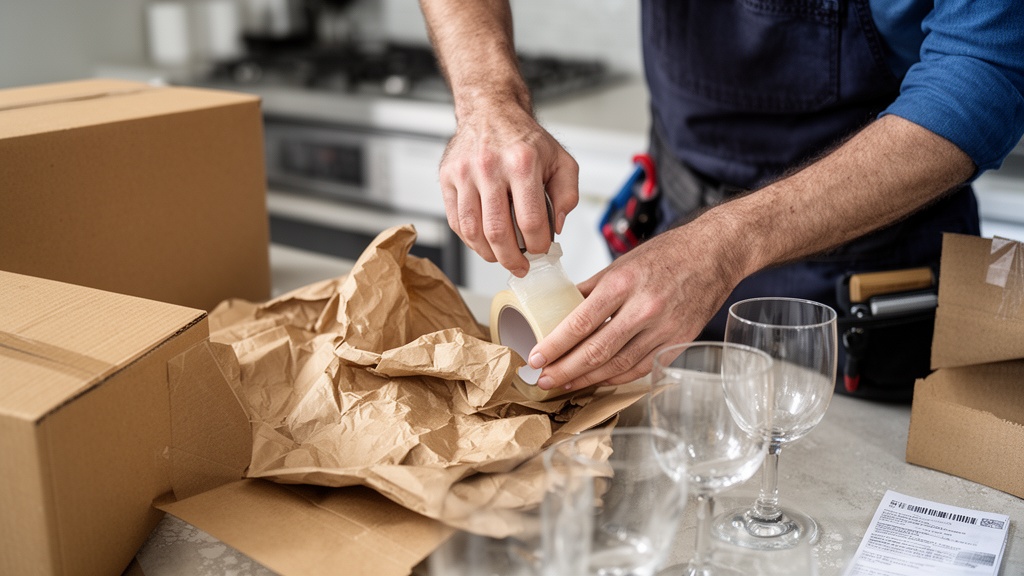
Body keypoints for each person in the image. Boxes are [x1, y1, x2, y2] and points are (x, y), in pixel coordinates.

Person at [417, 0, 1024, 394]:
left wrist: (725, 243)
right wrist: (487, 99)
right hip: (674, 225)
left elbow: (985, 73)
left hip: (865, 279)